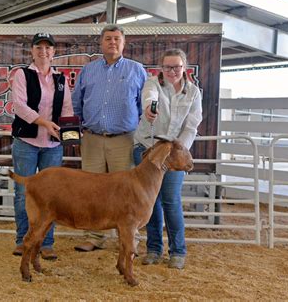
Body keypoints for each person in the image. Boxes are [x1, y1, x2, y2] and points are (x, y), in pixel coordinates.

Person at [72, 24, 147, 252]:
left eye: (116, 39)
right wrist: (82, 129)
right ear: (101, 43)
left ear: (123, 43)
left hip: (124, 139)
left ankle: (129, 239)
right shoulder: (89, 70)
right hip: (92, 138)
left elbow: (143, 106)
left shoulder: (137, 70)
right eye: (108, 39)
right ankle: (94, 236)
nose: (112, 42)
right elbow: (77, 101)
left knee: (126, 192)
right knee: (91, 190)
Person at [133, 48, 202, 269]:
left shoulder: (193, 92)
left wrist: (177, 152)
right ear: (161, 68)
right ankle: (153, 249)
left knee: (171, 200)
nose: (172, 71)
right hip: (148, 148)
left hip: (172, 154)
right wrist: (148, 109)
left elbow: (191, 126)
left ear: (185, 68)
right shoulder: (153, 84)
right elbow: (149, 97)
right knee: (149, 202)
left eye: (176, 67)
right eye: (167, 67)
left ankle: (178, 251)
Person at [11, 33, 74, 260]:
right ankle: (23, 240)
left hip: (52, 145)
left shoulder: (61, 80)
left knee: (51, 196)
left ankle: (46, 243)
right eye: (39, 47)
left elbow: (67, 109)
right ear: (32, 50)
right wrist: (44, 122)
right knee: (23, 193)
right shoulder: (22, 74)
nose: (44, 51)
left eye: (48, 48)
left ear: (54, 52)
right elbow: (19, 106)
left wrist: (68, 130)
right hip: (26, 143)